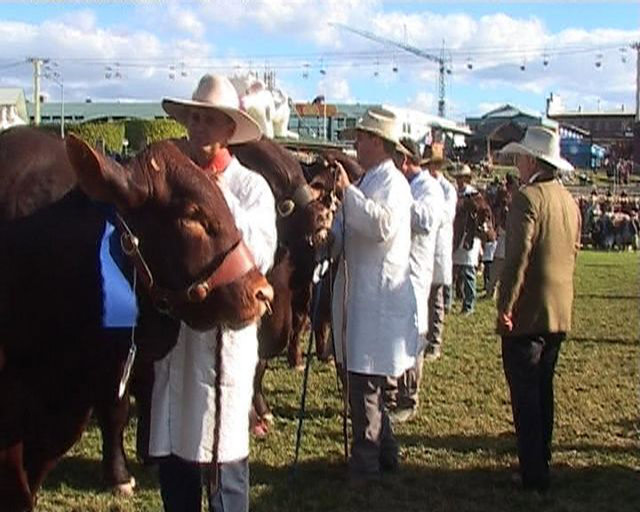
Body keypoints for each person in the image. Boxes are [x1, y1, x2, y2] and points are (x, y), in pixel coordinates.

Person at [148, 74, 278, 512]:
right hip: (178, 335)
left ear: (229, 131)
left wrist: (214, 200)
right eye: (194, 117)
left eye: (209, 120)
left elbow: (259, 251)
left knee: (224, 455)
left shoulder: (250, 187)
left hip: (225, 335)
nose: (198, 127)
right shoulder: (170, 187)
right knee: (176, 450)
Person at [331, 107, 417, 482]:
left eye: (362, 138)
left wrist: (346, 193)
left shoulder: (393, 183)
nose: (357, 143)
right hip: (364, 295)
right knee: (368, 386)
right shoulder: (369, 180)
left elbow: (380, 225)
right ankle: (385, 452)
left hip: (376, 300)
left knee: (366, 386)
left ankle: (365, 464)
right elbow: (349, 227)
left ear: (379, 143)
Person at [497, 126, 581, 493]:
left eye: (519, 157)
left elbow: (517, 258)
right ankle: (540, 460)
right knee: (544, 389)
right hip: (559, 309)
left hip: (528, 311)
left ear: (532, 160)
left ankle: (533, 471)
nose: (516, 163)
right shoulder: (568, 199)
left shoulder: (527, 198)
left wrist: (505, 305)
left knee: (526, 396)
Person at [385, 137, 445, 423]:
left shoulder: (428, 188)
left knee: (412, 335)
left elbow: (426, 221)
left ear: (406, 160)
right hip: (396, 272)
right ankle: (392, 392)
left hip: (415, 274)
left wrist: (400, 201)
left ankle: (409, 397)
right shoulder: (407, 186)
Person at [423, 149, 456, 361]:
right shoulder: (424, 185)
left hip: (438, 249)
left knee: (435, 300)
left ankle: (435, 343)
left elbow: (443, 216)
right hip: (424, 249)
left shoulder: (447, 189)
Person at [451, 164, 482, 315]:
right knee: (453, 270)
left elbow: (482, 213)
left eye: (462, 178)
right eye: (458, 178)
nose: (459, 181)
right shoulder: (455, 194)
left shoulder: (474, 195)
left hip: (469, 236)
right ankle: (448, 302)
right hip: (457, 235)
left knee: (468, 271)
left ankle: (469, 305)